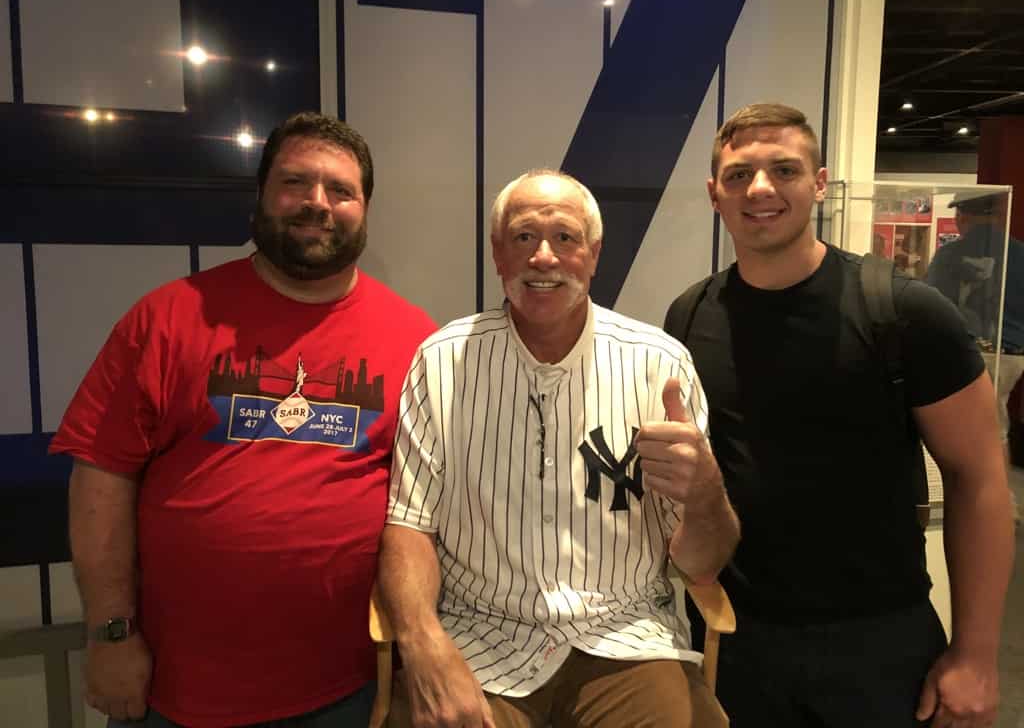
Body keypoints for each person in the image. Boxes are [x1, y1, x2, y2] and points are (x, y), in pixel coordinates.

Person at [49, 112, 436, 727]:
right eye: (295, 183)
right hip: (177, 692)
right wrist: (110, 634)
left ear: (364, 209)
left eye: (340, 190)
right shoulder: (168, 318)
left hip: (349, 689)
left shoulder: (416, 338)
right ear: (260, 196)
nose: (317, 203)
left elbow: (424, 509)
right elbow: (101, 479)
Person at [664, 103, 1015, 728]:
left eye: (784, 169)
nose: (761, 189)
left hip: (877, 640)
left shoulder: (907, 313)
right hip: (738, 637)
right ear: (714, 192)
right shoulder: (690, 316)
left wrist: (977, 655)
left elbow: (981, 481)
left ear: (819, 184)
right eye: (740, 174)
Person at [378, 169, 740, 728]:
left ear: (594, 254)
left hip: (626, 640)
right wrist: (422, 644)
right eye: (523, 237)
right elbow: (409, 525)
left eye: (565, 238)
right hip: (480, 635)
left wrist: (706, 492)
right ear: (498, 254)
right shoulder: (442, 361)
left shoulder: (659, 365)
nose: (543, 257)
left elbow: (701, 562)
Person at [926, 191, 1024, 465]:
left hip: (968, 352)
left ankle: (993, 500)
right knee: (996, 424)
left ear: (962, 216)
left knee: (962, 429)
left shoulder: (950, 254)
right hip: (1012, 355)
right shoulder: (1020, 253)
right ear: (997, 216)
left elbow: (933, 304)